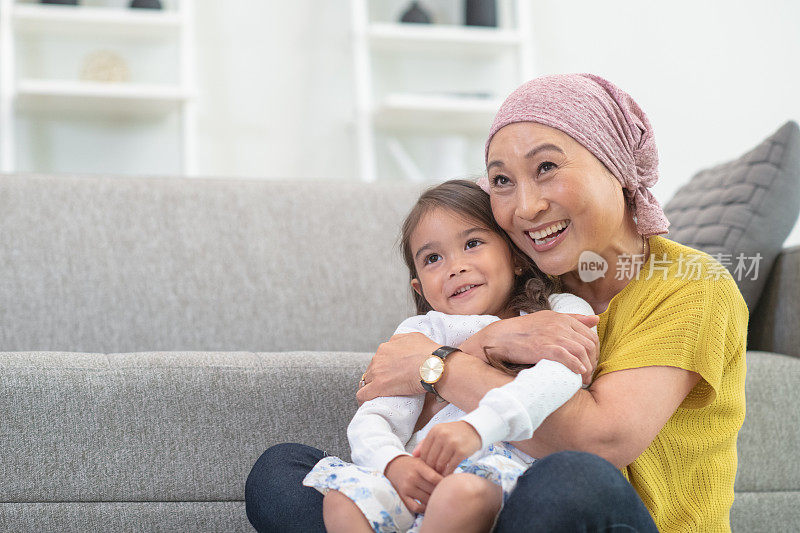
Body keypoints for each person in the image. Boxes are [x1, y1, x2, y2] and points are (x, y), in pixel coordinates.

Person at [246, 73, 748, 533]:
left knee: (569, 479)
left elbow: (602, 441)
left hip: (598, 512)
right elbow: (399, 401)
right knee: (283, 472)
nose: (525, 208)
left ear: (615, 165)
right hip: (483, 507)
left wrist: (436, 366)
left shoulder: (691, 284)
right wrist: (484, 344)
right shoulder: (532, 278)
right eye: (502, 181)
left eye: (546, 167)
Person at [302, 179, 595, 533]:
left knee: (460, 494)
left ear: (516, 257)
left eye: (472, 244)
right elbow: (375, 415)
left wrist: (475, 428)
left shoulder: (556, 311)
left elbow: (553, 383)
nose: (455, 266)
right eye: (433, 258)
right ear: (419, 288)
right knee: (342, 499)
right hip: (418, 473)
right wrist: (393, 463)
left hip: (501, 473)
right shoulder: (419, 333)